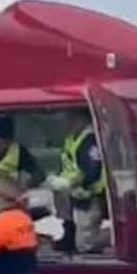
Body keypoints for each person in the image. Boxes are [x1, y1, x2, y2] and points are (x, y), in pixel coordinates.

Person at [46, 107, 108, 253]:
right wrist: (57, 179)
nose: (67, 123)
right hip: (73, 194)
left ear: (81, 119)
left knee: (86, 244)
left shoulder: (90, 139)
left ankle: (113, 236)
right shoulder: (72, 138)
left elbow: (92, 170)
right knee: (64, 207)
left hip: (88, 194)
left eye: (71, 119)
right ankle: (69, 236)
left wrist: (68, 183)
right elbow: (67, 162)